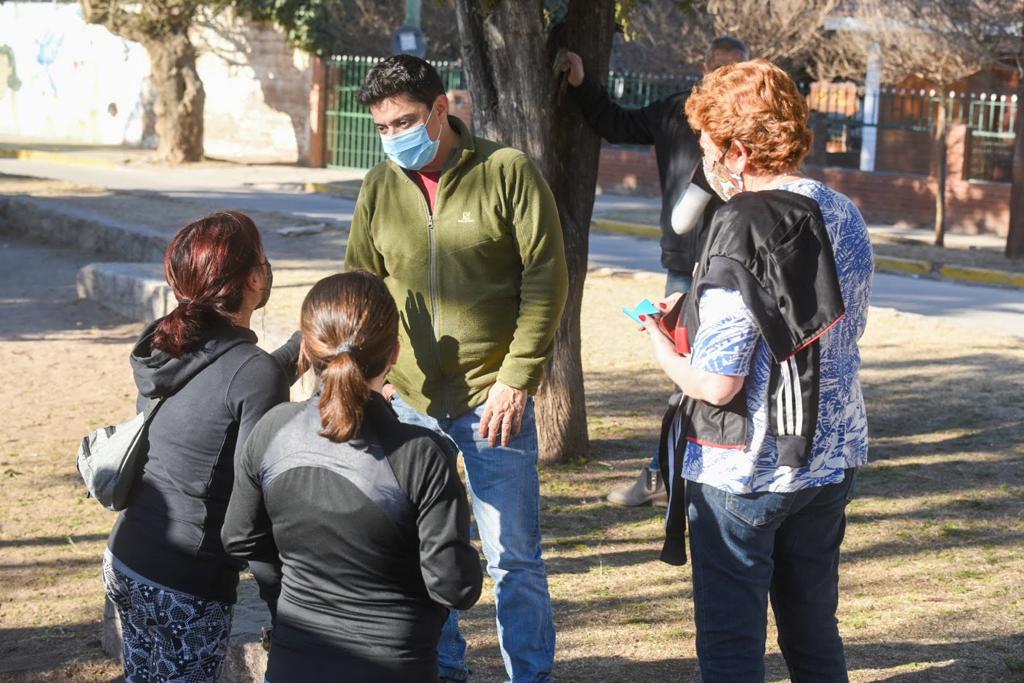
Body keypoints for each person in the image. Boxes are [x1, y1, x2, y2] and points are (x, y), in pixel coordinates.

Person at [639, 59, 873, 681]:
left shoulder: (738, 225)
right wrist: (695, 305)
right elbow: (810, 321)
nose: (705, 161)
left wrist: (663, 349)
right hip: (828, 459)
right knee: (814, 633)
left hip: (745, 470)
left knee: (731, 647)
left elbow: (718, 381)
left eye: (709, 146)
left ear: (737, 151)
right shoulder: (843, 212)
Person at [344, 54, 568, 682]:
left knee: (512, 560)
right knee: (426, 551)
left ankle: (531, 676)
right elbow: (360, 285)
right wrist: (374, 379)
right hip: (410, 404)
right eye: (383, 128)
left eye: (405, 122)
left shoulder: (507, 172)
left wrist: (517, 378)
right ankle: (442, 673)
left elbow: (546, 281)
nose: (394, 138)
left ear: (442, 110)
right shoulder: (379, 188)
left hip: (494, 403)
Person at [221, 271, 483, 682]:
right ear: (395, 353)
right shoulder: (422, 455)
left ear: (305, 349)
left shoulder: (273, 430)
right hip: (396, 663)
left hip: (295, 662)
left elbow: (239, 537)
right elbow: (454, 587)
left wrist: (291, 587)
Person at [102, 211, 299, 682]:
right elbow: (254, 505)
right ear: (255, 277)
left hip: (128, 559)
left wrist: (296, 352)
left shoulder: (168, 343)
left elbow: (221, 391)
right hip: (185, 585)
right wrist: (284, 605)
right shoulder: (252, 372)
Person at [560, 35, 749, 507]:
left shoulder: (753, 128)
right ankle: (666, 477)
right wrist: (582, 84)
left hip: (741, 269)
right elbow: (615, 122)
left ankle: (690, 476)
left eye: (735, 72)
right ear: (703, 69)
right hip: (685, 269)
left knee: (729, 378)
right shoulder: (673, 113)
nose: (723, 81)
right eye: (718, 70)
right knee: (688, 378)